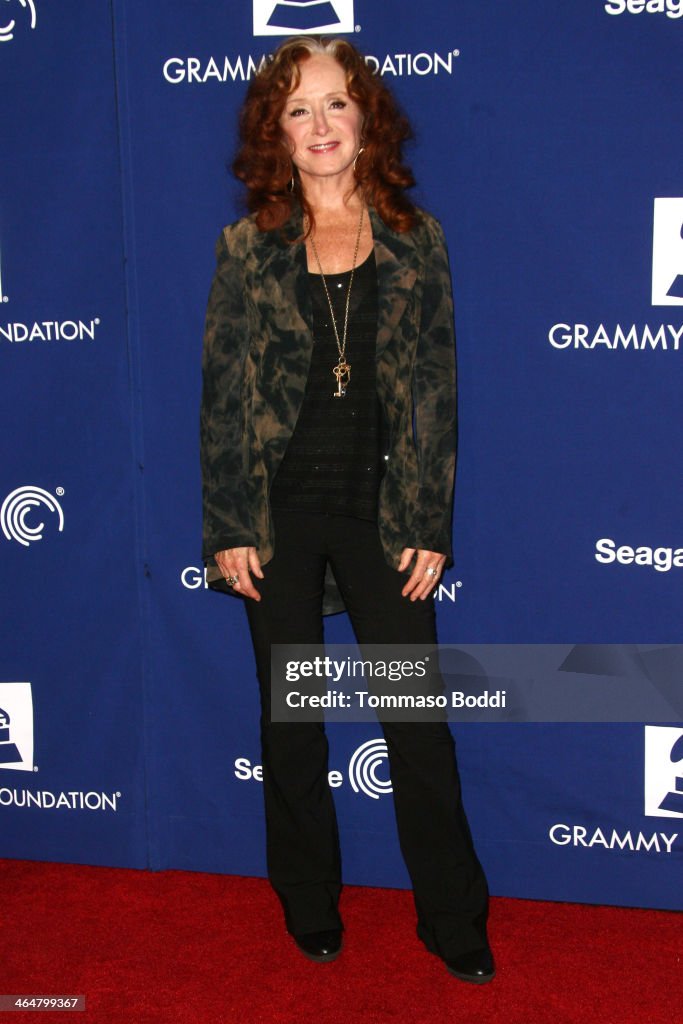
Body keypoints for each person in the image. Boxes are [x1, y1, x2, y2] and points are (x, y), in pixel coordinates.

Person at [200, 35, 494, 984]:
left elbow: (434, 394)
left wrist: (428, 526)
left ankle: (453, 920)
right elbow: (225, 393)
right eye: (297, 109)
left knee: (418, 729)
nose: (319, 125)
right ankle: (308, 904)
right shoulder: (247, 248)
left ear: (366, 117)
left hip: (382, 518)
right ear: (273, 133)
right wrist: (230, 523)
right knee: (292, 726)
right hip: (278, 521)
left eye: (335, 103)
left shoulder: (416, 237)